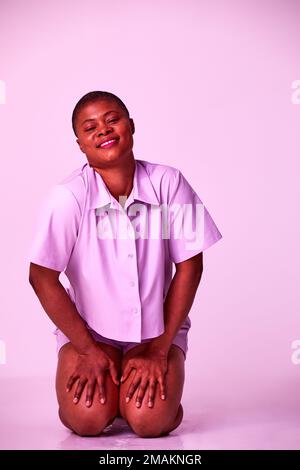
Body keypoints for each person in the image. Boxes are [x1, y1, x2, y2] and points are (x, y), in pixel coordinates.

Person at [28, 91, 222, 438]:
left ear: (130, 126)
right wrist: (86, 349)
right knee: (87, 420)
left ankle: (146, 393)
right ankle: (106, 377)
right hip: (89, 332)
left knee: (150, 422)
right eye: (90, 127)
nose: (103, 129)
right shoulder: (68, 197)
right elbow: (41, 277)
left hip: (156, 332)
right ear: (81, 145)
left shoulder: (169, 182)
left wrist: (160, 349)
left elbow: (191, 267)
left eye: (112, 119)